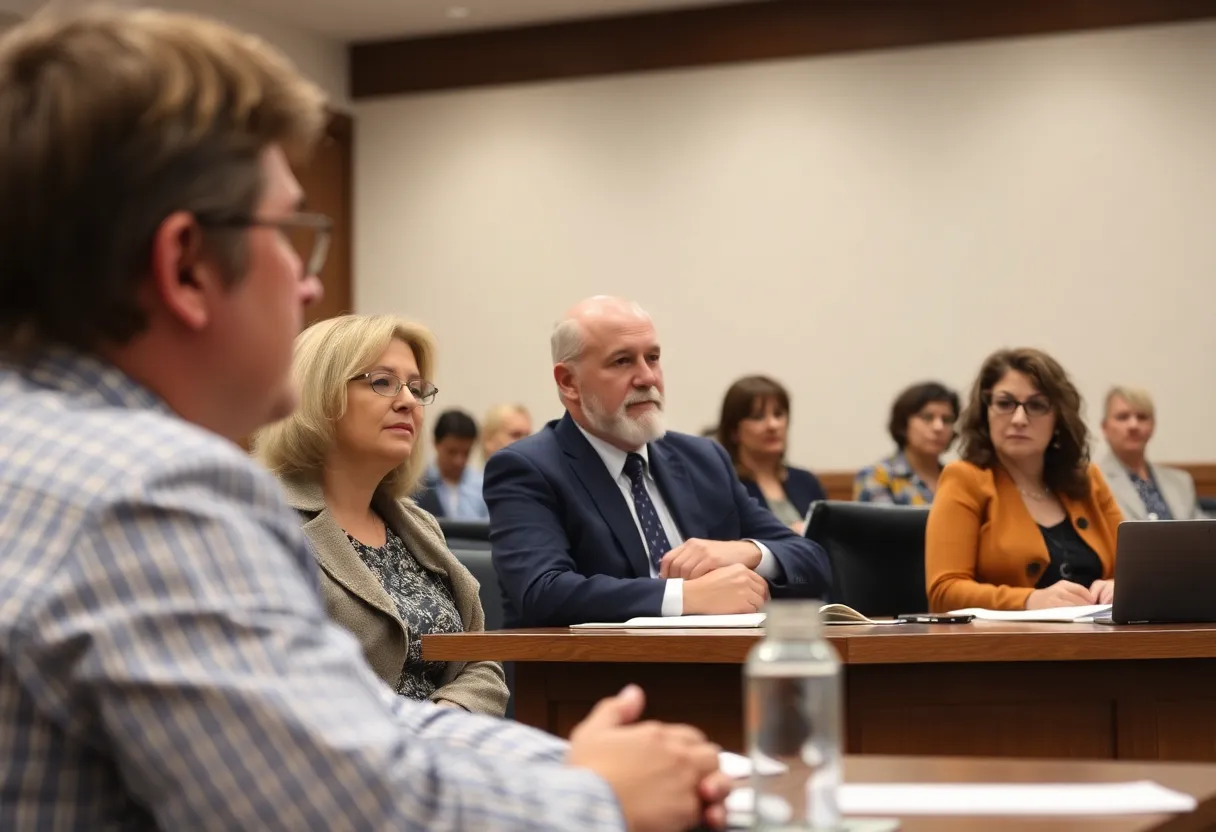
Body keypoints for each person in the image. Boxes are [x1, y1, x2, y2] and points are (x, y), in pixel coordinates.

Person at [0, 8, 731, 830]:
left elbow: (354, 722)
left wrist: (566, 765)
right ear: (186, 266)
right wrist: (596, 797)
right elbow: (347, 808)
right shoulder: (153, 496)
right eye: (291, 236)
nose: (310, 285)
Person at [484, 296, 832, 627]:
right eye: (622, 361)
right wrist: (685, 596)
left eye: (652, 358)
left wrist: (745, 553)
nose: (648, 377)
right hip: (597, 668)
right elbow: (543, 591)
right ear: (569, 382)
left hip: (721, 662)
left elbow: (813, 561)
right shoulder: (528, 468)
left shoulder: (703, 459)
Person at [253, 316, 506, 714]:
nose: (408, 401)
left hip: (450, 740)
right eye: (383, 382)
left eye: (416, 388)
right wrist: (414, 735)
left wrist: (446, 719)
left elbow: (481, 662)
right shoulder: (264, 522)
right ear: (320, 395)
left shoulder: (419, 526)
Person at [925, 348, 1124, 613]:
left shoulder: (1088, 480)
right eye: (1005, 404)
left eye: (1037, 405)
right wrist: (1029, 601)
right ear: (986, 411)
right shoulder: (964, 479)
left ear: (1059, 418)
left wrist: (1119, 586)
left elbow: (1135, 569)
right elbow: (944, 591)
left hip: (1098, 634)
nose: (1019, 419)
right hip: (1009, 638)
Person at [716, 375, 826, 533]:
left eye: (778, 414)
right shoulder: (725, 487)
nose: (773, 425)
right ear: (734, 431)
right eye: (758, 417)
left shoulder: (806, 482)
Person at [1098, 386, 1206, 521]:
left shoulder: (1180, 482)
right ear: (1105, 427)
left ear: (1153, 425)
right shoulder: (1093, 482)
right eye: (1123, 417)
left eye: (1142, 417)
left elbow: (1203, 530)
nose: (1133, 425)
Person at [854, 381, 960, 505]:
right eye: (927, 417)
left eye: (947, 419)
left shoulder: (957, 479)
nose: (939, 427)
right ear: (904, 424)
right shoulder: (877, 476)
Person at [417, 408, 490, 520]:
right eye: (452, 452)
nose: (459, 461)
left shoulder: (483, 486)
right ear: (436, 443)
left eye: (466, 453)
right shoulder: (418, 485)